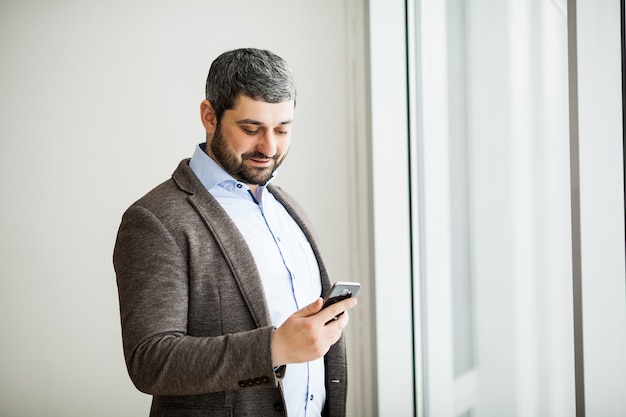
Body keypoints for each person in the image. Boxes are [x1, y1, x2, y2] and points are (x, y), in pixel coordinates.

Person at [113, 48, 358, 417]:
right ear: (209, 116)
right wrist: (273, 348)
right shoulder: (155, 219)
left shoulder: (288, 208)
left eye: (282, 129)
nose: (270, 147)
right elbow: (151, 360)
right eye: (251, 128)